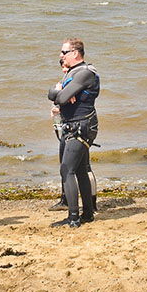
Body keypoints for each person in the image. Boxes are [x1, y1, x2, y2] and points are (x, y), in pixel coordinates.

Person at [47, 38, 99, 228]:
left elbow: (61, 97)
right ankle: (87, 214)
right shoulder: (71, 73)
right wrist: (58, 93)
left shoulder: (85, 73)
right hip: (72, 125)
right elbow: (53, 94)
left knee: (66, 169)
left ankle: (74, 217)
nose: (61, 56)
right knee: (78, 170)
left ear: (75, 53)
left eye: (64, 52)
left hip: (82, 126)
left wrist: (60, 93)